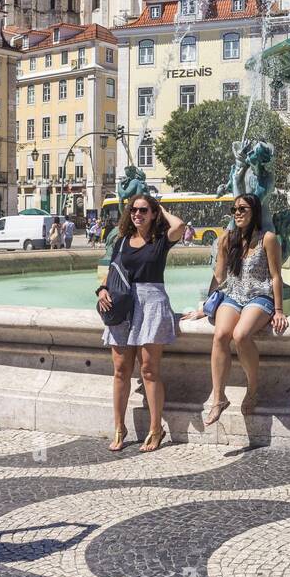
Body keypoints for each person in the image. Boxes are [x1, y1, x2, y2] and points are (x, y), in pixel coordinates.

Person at [186, 193, 288, 426]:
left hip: (259, 297)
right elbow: (219, 276)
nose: (238, 213)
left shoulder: (268, 238)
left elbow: (275, 276)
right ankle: (219, 398)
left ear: (255, 212)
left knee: (241, 335)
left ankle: (252, 389)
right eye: (234, 210)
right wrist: (206, 306)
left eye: (243, 209)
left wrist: (279, 310)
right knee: (221, 335)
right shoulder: (227, 239)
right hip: (233, 296)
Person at [96, 193, 185, 452]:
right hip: (122, 305)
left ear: (153, 213)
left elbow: (179, 226)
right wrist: (101, 290)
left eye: (144, 210)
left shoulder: (160, 241)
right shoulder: (122, 241)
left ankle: (156, 429)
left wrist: (160, 207)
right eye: (134, 210)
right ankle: (119, 427)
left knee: (148, 369)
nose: (137, 214)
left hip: (152, 303)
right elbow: (111, 273)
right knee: (121, 370)